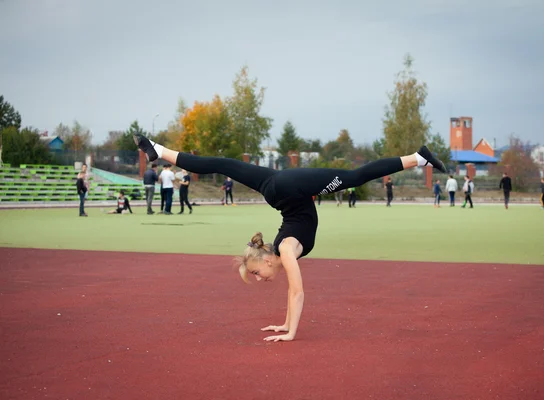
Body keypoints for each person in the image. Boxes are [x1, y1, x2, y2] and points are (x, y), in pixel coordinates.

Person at [133, 133, 446, 342]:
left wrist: (290, 333)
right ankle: (158, 150)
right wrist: (284, 322)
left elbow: (297, 292)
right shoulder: (283, 248)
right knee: (222, 164)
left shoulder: (285, 248)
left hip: (288, 187)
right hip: (276, 186)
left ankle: (419, 158)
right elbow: (291, 290)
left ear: (268, 259)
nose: (259, 279)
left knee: (354, 177)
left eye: (257, 272)